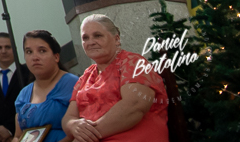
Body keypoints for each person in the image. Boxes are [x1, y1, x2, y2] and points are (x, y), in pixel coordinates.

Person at [61, 14, 168, 142]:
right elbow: (69, 117)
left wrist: (87, 137)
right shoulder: (86, 76)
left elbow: (134, 106)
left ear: (116, 39)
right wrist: (74, 125)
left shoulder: (132, 62)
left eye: (98, 35)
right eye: (85, 38)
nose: (90, 42)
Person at [13, 30, 77, 142]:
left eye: (42, 51)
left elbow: (83, 128)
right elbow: (18, 135)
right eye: (29, 52)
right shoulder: (23, 94)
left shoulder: (73, 84)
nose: (35, 57)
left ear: (56, 57)